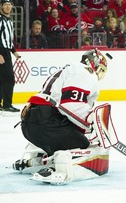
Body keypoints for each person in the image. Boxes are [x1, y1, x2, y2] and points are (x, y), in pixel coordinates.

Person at [13, 48, 111, 185]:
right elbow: (71, 105)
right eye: (100, 69)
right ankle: (56, 169)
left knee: (68, 138)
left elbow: (63, 106)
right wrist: (91, 122)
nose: (99, 74)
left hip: (29, 124)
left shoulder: (69, 69)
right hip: (46, 123)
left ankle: (32, 162)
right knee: (82, 143)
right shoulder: (86, 72)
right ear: (92, 63)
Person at [0, 0, 21, 114]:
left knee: (3, 79)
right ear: (1, 6)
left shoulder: (9, 21)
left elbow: (8, 39)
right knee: (9, 79)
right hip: (1, 52)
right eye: (5, 4)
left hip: (6, 52)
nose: (8, 6)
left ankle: (4, 104)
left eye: (9, 4)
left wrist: (14, 52)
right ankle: (7, 104)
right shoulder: (0, 20)